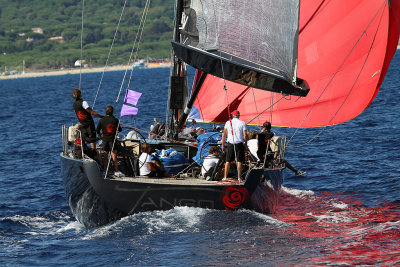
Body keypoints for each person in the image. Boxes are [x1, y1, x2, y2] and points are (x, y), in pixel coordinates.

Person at [96, 105, 124, 177]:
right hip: (112, 140)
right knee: (114, 155)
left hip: (105, 140)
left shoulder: (102, 120)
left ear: (106, 111)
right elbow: (120, 130)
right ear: (112, 112)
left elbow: (97, 130)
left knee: (106, 156)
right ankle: (116, 171)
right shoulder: (115, 120)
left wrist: (100, 137)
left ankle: (106, 171)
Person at [221, 110, 247, 182]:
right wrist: (245, 145)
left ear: (233, 115)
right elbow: (245, 135)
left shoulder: (228, 123)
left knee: (228, 160)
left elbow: (224, 135)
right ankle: (239, 178)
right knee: (239, 161)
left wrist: (223, 145)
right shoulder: (242, 123)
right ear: (239, 115)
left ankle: (225, 177)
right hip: (239, 143)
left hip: (231, 144)